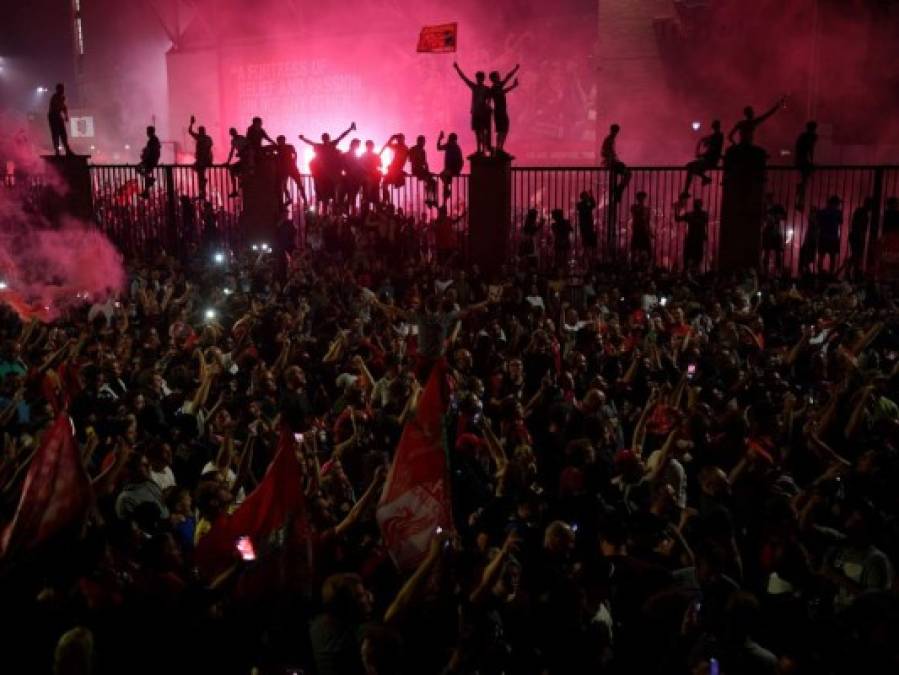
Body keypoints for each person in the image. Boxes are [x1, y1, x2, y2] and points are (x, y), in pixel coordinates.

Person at [298, 123, 356, 213]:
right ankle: (334, 203)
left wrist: (350, 129)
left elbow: (342, 136)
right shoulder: (323, 146)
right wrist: (303, 139)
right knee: (335, 186)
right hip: (328, 172)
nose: (325, 140)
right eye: (325, 139)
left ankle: (335, 202)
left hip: (331, 171)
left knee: (338, 185)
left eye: (326, 138)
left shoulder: (326, 146)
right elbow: (311, 143)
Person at [453, 62, 492, 156]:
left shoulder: (486, 89)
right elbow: (464, 78)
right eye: (478, 78)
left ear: (483, 78)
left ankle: (482, 149)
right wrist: (457, 68)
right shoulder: (474, 87)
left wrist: (487, 105)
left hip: (482, 113)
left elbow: (489, 99)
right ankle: (480, 149)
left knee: (482, 131)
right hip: (475, 112)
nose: (479, 79)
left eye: (480, 78)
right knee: (477, 132)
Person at [684, 120, 723, 193]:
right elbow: (712, 149)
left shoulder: (716, 136)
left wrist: (701, 155)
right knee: (691, 167)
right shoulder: (716, 136)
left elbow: (712, 150)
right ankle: (703, 179)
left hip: (710, 161)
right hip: (711, 160)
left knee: (690, 167)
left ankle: (687, 190)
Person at [489, 65, 520, 155]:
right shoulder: (494, 88)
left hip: (502, 111)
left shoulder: (499, 85)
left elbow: (508, 76)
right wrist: (513, 86)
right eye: (497, 76)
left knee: (504, 129)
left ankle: (500, 148)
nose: (499, 77)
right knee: (501, 130)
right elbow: (502, 91)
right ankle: (499, 148)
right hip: (499, 112)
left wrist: (515, 69)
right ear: (494, 78)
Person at [675, 197, 708, 270]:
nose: (697, 206)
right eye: (697, 204)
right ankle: (691, 270)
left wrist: (676, 209)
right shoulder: (703, 214)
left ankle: (690, 270)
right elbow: (677, 219)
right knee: (695, 257)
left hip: (694, 239)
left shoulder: (692, 215)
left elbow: (677, 219)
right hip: (695, 239)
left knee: (692, 257)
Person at [274, 135, 307, 206]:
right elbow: (295, 154)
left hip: (291, 168)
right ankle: (290, 199)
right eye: (279, 141)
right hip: (286, 169)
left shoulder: (288, 147)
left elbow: (295, 154)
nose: (280, 142)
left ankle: (305, 201)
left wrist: (295, 161)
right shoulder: (279, 147)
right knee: (284, 186)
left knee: (299, 185)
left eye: (281, 141)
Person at [601, 124, 630, 202]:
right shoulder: (609, 139)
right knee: (628, 174)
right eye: (615, 131)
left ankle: (617, 190)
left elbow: (604, 152)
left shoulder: (610, 139)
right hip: (612, 163)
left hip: (612, 162)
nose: (616, 133)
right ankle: (618, 190)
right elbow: (603, 152)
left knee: (626, 174)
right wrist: (610, 158)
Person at [846, 197, 873, 280]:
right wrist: (861, 237)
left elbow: (854, 223)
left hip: (854, 235)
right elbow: (861, 227)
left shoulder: (859, 211)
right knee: (856, 255)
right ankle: (853, 272)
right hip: (857, 236)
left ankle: (852, 271)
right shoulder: (864, 214)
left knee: (856, 255)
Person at [188, 115, 213, 201]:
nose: (200, 132)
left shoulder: (204, 138)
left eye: (200, 131)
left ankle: (202, 191)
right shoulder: (204, 138)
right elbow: (190, 131)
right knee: (200, 174)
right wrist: (191, 123)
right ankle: (202, 191)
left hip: (204, 160)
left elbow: (207, 150)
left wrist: (202, 159)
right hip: (202, 160)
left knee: (200, 174)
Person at [408, 135, 438, 208]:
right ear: (418, 141)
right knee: (430, 181)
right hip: (416, 170)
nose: (423, 143)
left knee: (433, 182)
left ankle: (432, 199)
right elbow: (411, 160)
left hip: (421, 170)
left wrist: (428, 171)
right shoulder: (413, 149)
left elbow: (425, 163)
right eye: (422, 142)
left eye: (424, 142)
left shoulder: (422, 151)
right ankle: (429, 199)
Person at [794, 121, 818, 211]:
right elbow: (810, 150)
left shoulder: (802, 136)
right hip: (803, 162)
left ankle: (800, 202)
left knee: (803, 182)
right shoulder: (812, 136)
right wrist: (811, 162)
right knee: (804, 182)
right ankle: (800, 202)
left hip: (799, 161)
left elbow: (800, 149)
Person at [817, 195, 843, 275]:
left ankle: (820, 272)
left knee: (821, 256)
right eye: (838, 203)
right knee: (832, 257)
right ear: (835, 203)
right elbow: (840, 222)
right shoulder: (838, 212)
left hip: (823, 236)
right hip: (833, 237)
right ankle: (831, 273)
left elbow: (818, 223)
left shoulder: (822, 212)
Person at [380, 134, 409, 204]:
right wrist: (392, 138)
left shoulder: (402, 148)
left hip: (395, 170)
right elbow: (388, 145)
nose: (398, 141)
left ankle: (386, 201)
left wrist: (392, 138)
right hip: (394, 169)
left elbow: (388, 145)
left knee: (385, 184)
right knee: (384, 185)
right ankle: (387, 201)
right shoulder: (402, 147)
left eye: (399, 139)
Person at [761, 195, 787, 275]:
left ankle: (777, 270)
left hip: (774, 232)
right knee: (768, 252)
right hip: (769, 232)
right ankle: (766, 269)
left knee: (776, 252)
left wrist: (778, 217)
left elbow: (784, 216)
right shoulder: (765, 208)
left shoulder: (776, 208)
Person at [437, 131, 464, 205]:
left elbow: (459, 161)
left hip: (453, 169)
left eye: (450, 139)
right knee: (445, 183)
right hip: (449, 170)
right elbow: (439, 148)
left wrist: (457, 170)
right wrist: (439, 138)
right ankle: (444, 202)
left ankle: (445, 200)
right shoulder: (450, 146)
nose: (449, 141)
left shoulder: (455, 148)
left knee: (443, 177)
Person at [47, 83, 73, 156]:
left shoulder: (61, 97)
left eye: (63, 89)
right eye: (61, 89)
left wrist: (66, 115)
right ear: (58, 89)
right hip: (53, 117)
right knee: (56, 135)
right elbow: (58, 107)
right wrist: (64, 114)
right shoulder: (55, 97)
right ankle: (57, 151)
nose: (63, 91)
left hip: (57, 116)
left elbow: (64, 108)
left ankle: (67, 150)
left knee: (63, 134)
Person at [136, 126, 161, 199]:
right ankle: (146, 192)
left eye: (147, 131)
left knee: (139, 168)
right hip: (152, 160)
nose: (146, 133)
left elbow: (150, 152)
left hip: (150, 161)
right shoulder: (154, 139)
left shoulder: (152, 140)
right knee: (146, 175)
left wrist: (144, 157)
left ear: (150, 132)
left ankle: (149, 180)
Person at [225, 127, 249, 198]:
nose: (233, 134)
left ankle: (237, 188)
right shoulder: (233, 141)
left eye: (233, 132)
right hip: (243, 160)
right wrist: (228, 162)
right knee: (232, 170)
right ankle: (235, 189)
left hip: (246, 159)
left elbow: (248, 146)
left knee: (235, 170)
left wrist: (241, 152)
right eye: (232, 132)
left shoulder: (242, 138)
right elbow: (231, 152)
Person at [630, 191, 653, 264]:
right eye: (640, 198)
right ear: (637, 199)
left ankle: (647, 263)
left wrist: (650, 232)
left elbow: (647, 222)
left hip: (644, 231)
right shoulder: (634, 207)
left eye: (643, 198)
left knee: (648, 250)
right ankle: (633, 263)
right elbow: (635, 213)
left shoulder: (647, 209)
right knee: (634, 249)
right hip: (637, 231)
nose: (642, 200)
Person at [576, 191, 597, 259]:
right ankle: (586, 255)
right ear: (583, 197)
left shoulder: (587, 203)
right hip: (584, 225)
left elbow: (593, 205)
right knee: (585, 241)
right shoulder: (580, 204)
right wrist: (589, 198)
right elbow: (590, 206)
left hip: (589, 225)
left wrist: (591, 196)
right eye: (586, 195)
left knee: (590, 242)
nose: (587, 196)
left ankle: (590, 256)